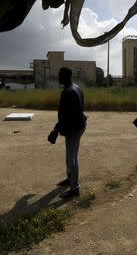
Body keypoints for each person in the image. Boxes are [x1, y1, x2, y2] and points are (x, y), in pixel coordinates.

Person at [48, 67, 87, 199]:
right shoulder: (76, 87)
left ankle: (75, 189)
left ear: (65, 77)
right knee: (69, 156)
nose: (58, 77)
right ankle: (70, 179)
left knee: (72, 158)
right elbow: (81, 106)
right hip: (77, 126)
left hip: (75, 129)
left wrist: (55, 131)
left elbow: (64, 117)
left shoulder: (68, 92)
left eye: (60, 75)